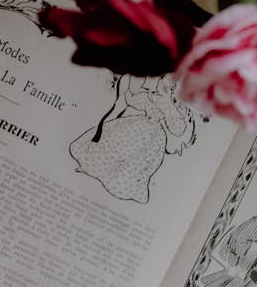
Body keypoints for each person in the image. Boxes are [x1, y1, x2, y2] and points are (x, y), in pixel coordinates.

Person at [69, 75, 196, 203]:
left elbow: (179, 128)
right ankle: (92, 167)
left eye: (162, 85)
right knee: (115, 142)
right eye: (159, 82)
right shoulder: (151, 96)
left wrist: (168, 113)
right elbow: (134, 100)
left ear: (169, 89)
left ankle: (116, 182)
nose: (158, 85)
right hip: (139, 125)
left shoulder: (169, 107)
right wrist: (128, 91)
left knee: (134, 159)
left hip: (153, 137)